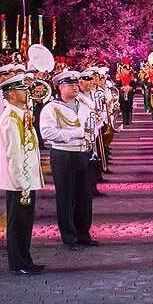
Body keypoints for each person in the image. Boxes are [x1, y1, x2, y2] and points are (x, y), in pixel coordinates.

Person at [37, 70, 98, 250]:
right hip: (64, 154)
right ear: (61, 87)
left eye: (75, 84)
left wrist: (90, 136)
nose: (74, 87)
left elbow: (92, 126)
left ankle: (83, 233)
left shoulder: (85, 105)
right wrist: (76, 134)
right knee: (66, 196)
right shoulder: (52, 108)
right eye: (69, 85)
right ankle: (69, 236)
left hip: (84, 153)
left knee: (84, 197)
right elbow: (47, 133)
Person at [0, 73, 45, 274]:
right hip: (19, 181)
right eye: (22, 89)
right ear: (12, 95)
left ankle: (26, 259)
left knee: (25, 224)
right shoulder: (9, 119)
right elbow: (13, 154)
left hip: (27, 177)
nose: (27, 92)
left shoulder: (20, 115)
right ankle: (18, 263)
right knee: (17, 224)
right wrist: (22, 181)